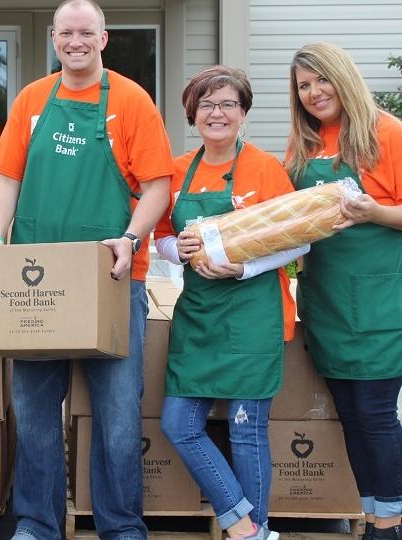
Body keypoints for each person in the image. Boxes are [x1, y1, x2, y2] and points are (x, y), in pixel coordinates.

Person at [0, 0, 173, 537]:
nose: (75, 42)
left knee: (117, 417)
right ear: (53, 37)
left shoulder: (132, 101)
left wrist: (131, 239)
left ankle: (120, 526)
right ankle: (38, 524)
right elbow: (5, 177)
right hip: (35, 279)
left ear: (103, 39)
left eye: (85, 33)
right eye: (66, 33)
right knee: (35, 410)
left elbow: (158, 185)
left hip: (109, 278)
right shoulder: (31, 100)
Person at [155, 65, 304, 540]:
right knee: (178, 424)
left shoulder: (265, 168)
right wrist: (177, 249)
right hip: (198, 317)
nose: (216, 113)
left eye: (227, 104)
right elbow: (159, 236)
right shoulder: (177, 170)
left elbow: (298, 242)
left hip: (253, 315)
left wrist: (243, 267)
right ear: (192, 113)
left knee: (245, 430)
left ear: (243, 113)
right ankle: (246, 524)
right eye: (206, 104)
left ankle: (251, 530)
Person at [286, 42, 402, 540]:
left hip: (380, 303)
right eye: (304, 86)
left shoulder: (387, 133)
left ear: (343, 77)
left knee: (376, 415)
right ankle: (373, 514)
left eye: (320, 80)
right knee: (351, 417)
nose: (313, 93)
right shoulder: (304, 146)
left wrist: (374, 212)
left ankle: (391, 522)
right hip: (328, 303)